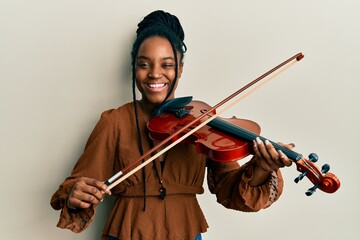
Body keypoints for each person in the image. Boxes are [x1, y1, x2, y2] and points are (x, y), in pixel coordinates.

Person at [50, 10, 293, 240]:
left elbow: (229, 189)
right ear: (134, 67)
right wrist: (75, 194)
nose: (155, 74)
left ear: (180, 69)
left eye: (166, 64)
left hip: (185, 231)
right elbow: (79, 183)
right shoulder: (114, 122)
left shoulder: (201, 121)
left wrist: (261, 167)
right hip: (129, 232)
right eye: (144, 64)